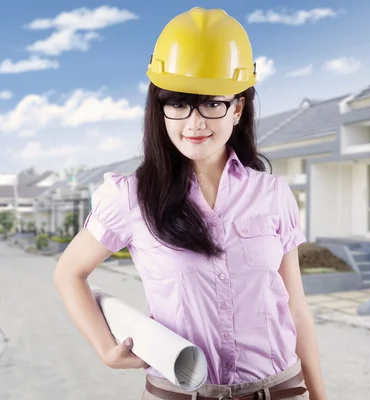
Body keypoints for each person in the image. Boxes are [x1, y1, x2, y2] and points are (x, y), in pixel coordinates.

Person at [53, 7, 327, 400]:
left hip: (279, 389)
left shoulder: (273, 194)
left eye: (211, 103)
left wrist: (319, 395)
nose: (194, 123)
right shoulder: (130, 197)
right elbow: (68, 273)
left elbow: (296, 308)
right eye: (178, 104)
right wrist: (103, 348)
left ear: (237, 107)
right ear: (159, 107)